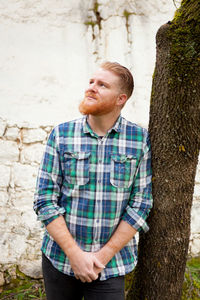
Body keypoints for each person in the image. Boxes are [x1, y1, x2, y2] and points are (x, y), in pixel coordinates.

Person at [34, 61, 153, 300]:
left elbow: (141, 203)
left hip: (110, 266)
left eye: (102, 85)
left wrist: (101, 257)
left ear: (121, 99)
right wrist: (75, 255)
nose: (91, 88)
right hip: (60, 260)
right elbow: (44, 199)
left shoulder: (139, 139)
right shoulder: (62, 134)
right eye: (91, 82)